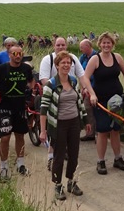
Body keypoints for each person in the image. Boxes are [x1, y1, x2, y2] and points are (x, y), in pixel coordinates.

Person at [39, 51, 92, 200]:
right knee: (59, 156)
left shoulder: (74, 81)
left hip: (74, 122)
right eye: (63, 63)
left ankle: (71, 182)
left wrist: (86, 121)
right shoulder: (51, 85)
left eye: (69, 63)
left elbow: (79, 102)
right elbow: (43, 109)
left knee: (74, 155)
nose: (66, 65)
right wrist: (43, 131)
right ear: (57, 65)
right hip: (58, 124)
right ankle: (57, 185)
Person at [0, 45, 35, 182]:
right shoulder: (1, 69)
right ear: (9, 55)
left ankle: (21, 164)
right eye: (14, 53)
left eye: (20, 53)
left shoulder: (26, 68)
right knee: (5, 138)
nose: (18, 55)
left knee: (20, 136)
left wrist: (31, 89)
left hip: (20, 108)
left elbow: (31, 80)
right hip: (5, 108)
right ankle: (4, 167)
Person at [83, 32, 124, 175]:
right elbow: (86, 78)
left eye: (108, 43)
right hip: (101, 100)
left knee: (116, 129)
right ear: (99, 44)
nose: (106, 45)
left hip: (116, 100)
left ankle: (118, 158)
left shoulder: (118, 58)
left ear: (112, 44)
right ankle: (101, 161)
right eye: (103, 43)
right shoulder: (95, 59)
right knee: (103, 131)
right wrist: (92, 94)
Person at [78, 39, 98, 141]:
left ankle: (92, 133)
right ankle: (90, 131)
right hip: (86, 87)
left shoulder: (96, 57)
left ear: (88, 46)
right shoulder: (83, 57)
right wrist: (82, 87)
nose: (80, 49)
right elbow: (80, 73)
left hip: (95, 87)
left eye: (82, 47)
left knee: (88, 108)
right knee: (86, 109)